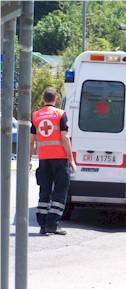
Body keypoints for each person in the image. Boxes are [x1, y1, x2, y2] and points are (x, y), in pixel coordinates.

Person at [30, 87, 76, 235]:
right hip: (60, 159)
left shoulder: (36, 115)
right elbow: (64, 137)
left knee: (44, 190)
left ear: (44, 99)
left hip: (43, 159)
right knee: (60, 191)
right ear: (55, 99)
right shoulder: (60, 114)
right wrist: (71, 159)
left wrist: (29, 159)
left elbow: (31, 141)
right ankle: (53, 224)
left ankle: (43, 224)